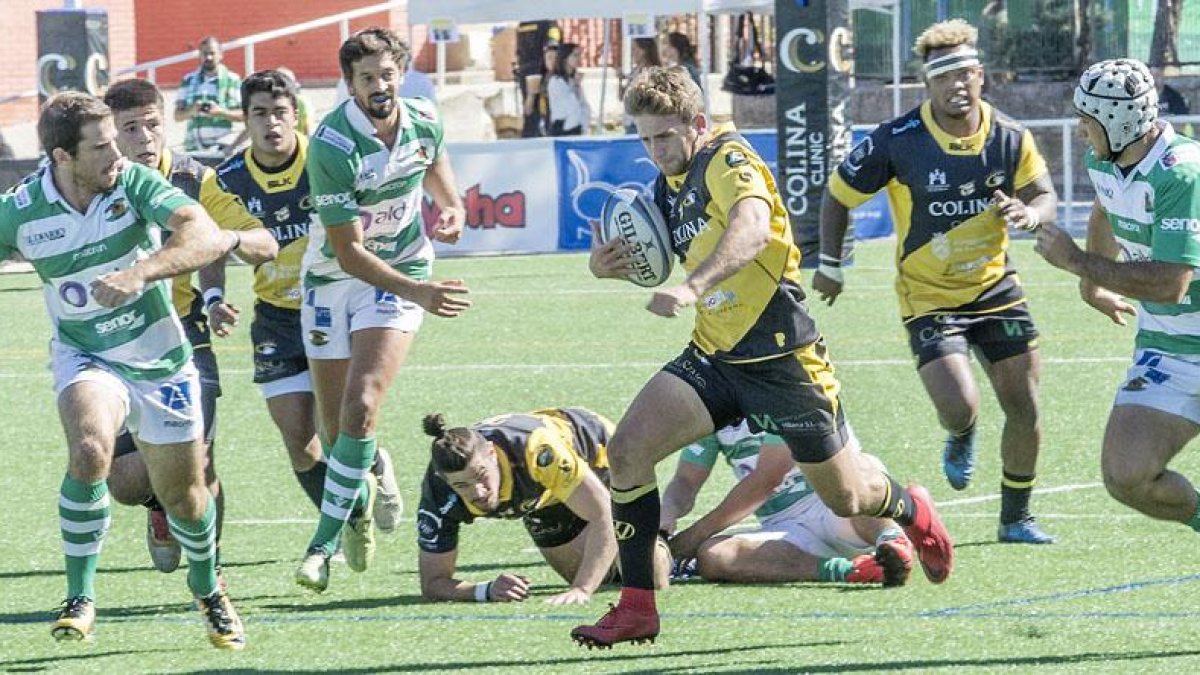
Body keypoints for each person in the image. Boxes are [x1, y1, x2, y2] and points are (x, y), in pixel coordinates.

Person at [571, 65, 953, 649]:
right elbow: (643, 251)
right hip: (715, 357)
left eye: (665, 137)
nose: (655, 151)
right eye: (645, 139)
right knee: (626, 452)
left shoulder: (729, 160)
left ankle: (911, 509)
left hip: (784, 357)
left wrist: (691, 287)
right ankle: (637, 607)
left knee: (847, 497)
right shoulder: (663, 190)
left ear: (696, 124)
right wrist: (604, 265)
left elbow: (751, 229)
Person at [0, 91, 246, 648]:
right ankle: (80, 596)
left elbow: (203, 236)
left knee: (184, 496)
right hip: (86, 354)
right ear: (62, 157)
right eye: (102, 146)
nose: (119, 154)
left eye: (117, 140)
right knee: (90, 450)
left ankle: (208, 586)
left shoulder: (134, 183)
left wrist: (143, 272)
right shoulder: (20, 210)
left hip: (160, 359)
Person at [814, 19, 1057, 545]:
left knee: (1026, 404)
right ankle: (961, 433)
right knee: (960, 405)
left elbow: (1043, 195)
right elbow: (838, 195)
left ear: (981, 77)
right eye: (943, 77)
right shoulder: (898, 141)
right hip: (929, 298)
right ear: (927, 86)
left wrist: (1030, 214)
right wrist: (830, 265)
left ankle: (1017, 517)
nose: (956, 86)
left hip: (996, 288)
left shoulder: (1011, 137)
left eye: (964, 74)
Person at [294, 27, 471, 593]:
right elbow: (347, 253)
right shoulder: (331, 145)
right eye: (366, 78)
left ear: (401, 74)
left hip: (399, 276)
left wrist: (454, 206)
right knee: (336, 426)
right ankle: (369, 481)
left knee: (363, 405)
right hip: (332, 281)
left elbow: (435, 159)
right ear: (349, 84)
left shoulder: (423, 116)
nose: (379, 86)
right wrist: (422, 294)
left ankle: (321, 546)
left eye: (386, 74)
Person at [205, 69, 404, 541]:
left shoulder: (327, 158)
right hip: (275, 317)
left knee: (337, 429)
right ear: (246, 120)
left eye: (280, 112)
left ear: (296, 115)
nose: (271, 123)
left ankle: (374, 464)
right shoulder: (227, 182)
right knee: (300, 441)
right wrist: (213, 297)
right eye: (259, 114)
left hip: (335, 304)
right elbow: (213, 246)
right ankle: (346, 521)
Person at [101, 78, 277, 576]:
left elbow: (263, 242)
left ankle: (212, 577)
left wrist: (218, 244)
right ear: (110, 133)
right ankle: (160, 501)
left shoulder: (195, 179)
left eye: (152, 124)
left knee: (200, 462)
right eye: (129, 127)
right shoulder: (95, 179)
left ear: (167, 123)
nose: (144, 137)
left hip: (182, 334)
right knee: (124, 481)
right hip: (114, 341)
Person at [1033, 58, 1200, 539]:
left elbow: (1172, 284)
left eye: (1088, 121)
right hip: (1169, 349)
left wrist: (1078, 262)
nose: (1081, 131)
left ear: (1119, 121)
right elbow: (1104, 209)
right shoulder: (1106, 161)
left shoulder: (1181, 175)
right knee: (1126, 476)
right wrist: (1093, 288)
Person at [417, 408, 671, 605]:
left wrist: (582, 589)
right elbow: (433, 583)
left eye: (481, 475)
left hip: (595, 453)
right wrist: (485, 590)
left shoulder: (537, 450)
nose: (477, 492)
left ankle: (667, 549)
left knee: (649, 576)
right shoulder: (439, 490)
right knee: (597, 573)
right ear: (445, 480)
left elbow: (604, 513)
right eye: (462, 485)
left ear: (492, 454)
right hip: (541, 495)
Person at [661, 422, 914, 587]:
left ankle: (892, 540)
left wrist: (692, 537)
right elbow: (685, 481)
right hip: (787, 529)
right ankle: (851, 570)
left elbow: (766, 480)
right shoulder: (715, 409)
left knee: (860, 472)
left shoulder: (788, 385)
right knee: (714, 555)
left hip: (833, 504)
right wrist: (664, 518)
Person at [175, 37, 244, 154]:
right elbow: (177, 116)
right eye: (204, 53)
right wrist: (192, 110)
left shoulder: (233, 80)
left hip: (223, 147)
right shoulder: (188, 80)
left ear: (221, 54)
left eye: (212, 53)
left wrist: (221, 112)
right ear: (199, 55)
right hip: (194, 147)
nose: (208, 57)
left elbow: (245, 115)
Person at [546, 43, 591, 137]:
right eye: (575, 55)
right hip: (563, 127)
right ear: (565, 58)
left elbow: (583, 104)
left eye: (579, 55)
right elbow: (569, 105)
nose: (578, 59)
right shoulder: (556, 81)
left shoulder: (572, 80)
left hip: (577, 126)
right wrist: (576, 85)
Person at [620, 38, 661, 135]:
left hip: (644, 121)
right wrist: (620, 81)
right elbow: (623, 96)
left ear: (644, 51)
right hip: (630, 121)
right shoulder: (635, 71)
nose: (632, 53)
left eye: (634, 49)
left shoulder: (652, 71)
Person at [521, 41, 559, 138]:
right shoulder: (540, 79)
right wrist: (531, 95)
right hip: (543, 128)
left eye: (556, 58)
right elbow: (528, 111)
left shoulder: (565, 79)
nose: (552, 61)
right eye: (549, 58)